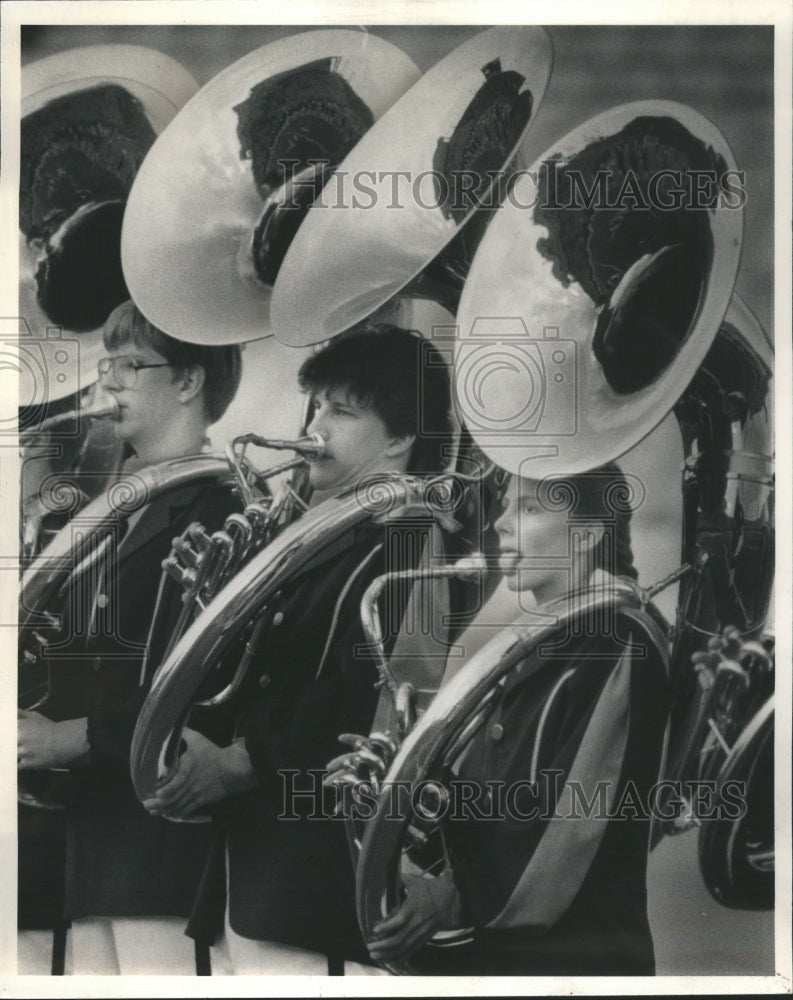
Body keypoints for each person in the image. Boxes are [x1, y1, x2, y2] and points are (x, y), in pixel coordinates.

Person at [142, 324, 455, 975]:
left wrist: (234, 764)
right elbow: (248, 680)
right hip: (254, 878)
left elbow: (368, 699)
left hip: (321, 890)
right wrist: (202, 599)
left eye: (341, 411)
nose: (314, 424)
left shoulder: (407, 540)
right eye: (316, 405)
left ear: (399, 438)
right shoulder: (313, 535)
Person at [336, 462, 671, 976]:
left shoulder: (616, 640)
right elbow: (493, 791)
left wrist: (452, 895)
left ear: (584, 536)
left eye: (529, 507)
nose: (499, 524)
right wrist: (395, 788)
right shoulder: (537, 637)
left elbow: (568, 825)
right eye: (507, 504)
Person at [17, 300, 243, 975]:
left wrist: (68, 737)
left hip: (159, 848)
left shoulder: (220, 508)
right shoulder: (111, 510)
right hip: (86, 843)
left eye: (127, 365)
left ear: (188, 381)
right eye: (105, 364)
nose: (104, 384)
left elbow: (204, 686)